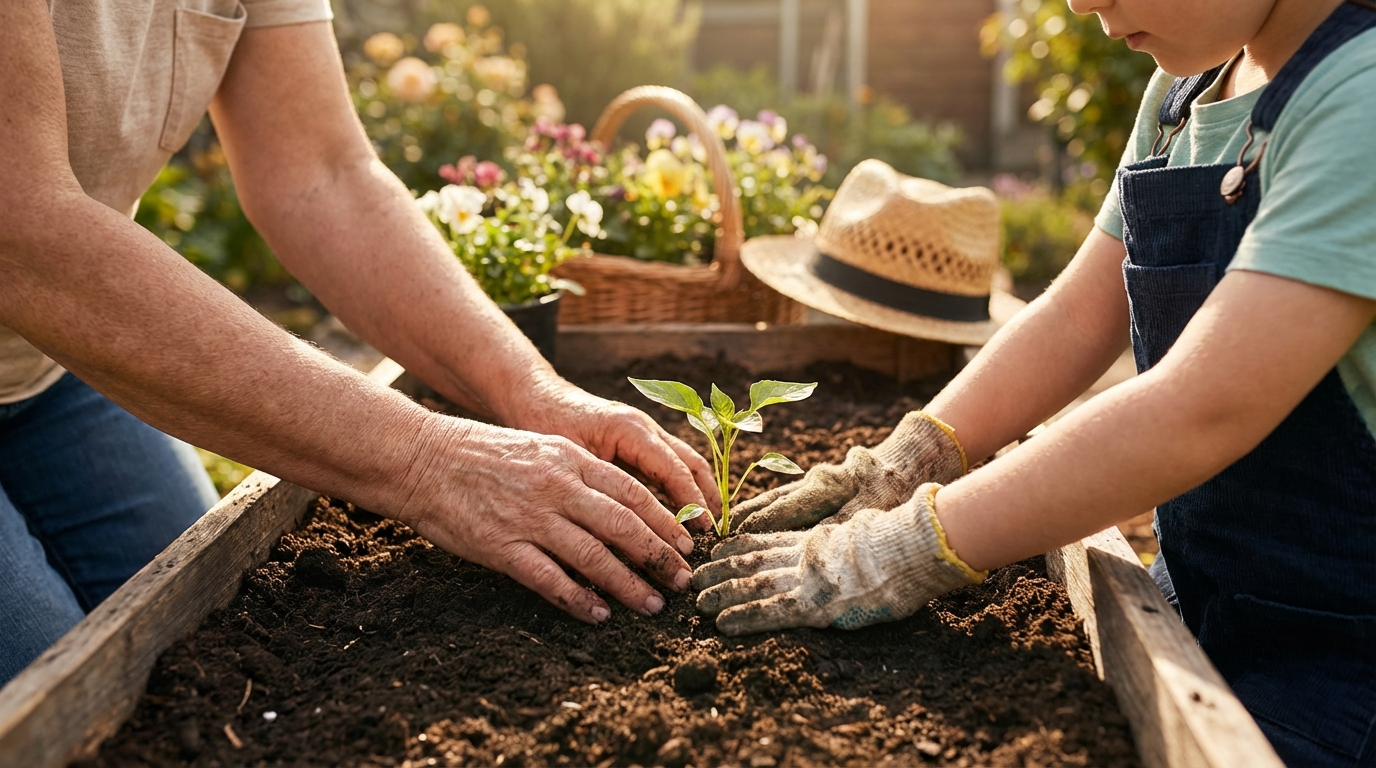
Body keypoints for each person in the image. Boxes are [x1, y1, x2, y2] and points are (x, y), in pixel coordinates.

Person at [695, 0, 1376, 764]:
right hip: (1198, 609)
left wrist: (907, 547)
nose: (1083, 3)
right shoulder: (1185, 95)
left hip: (1340, 672)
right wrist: (913, 457)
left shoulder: (1359, 102)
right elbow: (1076, 321)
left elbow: (1202, 409)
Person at [0, 0, 719, 687]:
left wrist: (532, 391)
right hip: (46, 293)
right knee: (50, 698)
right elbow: (20, 227)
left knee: (197, 634)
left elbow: (322, 171)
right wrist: (431, 460)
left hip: (51, 372)